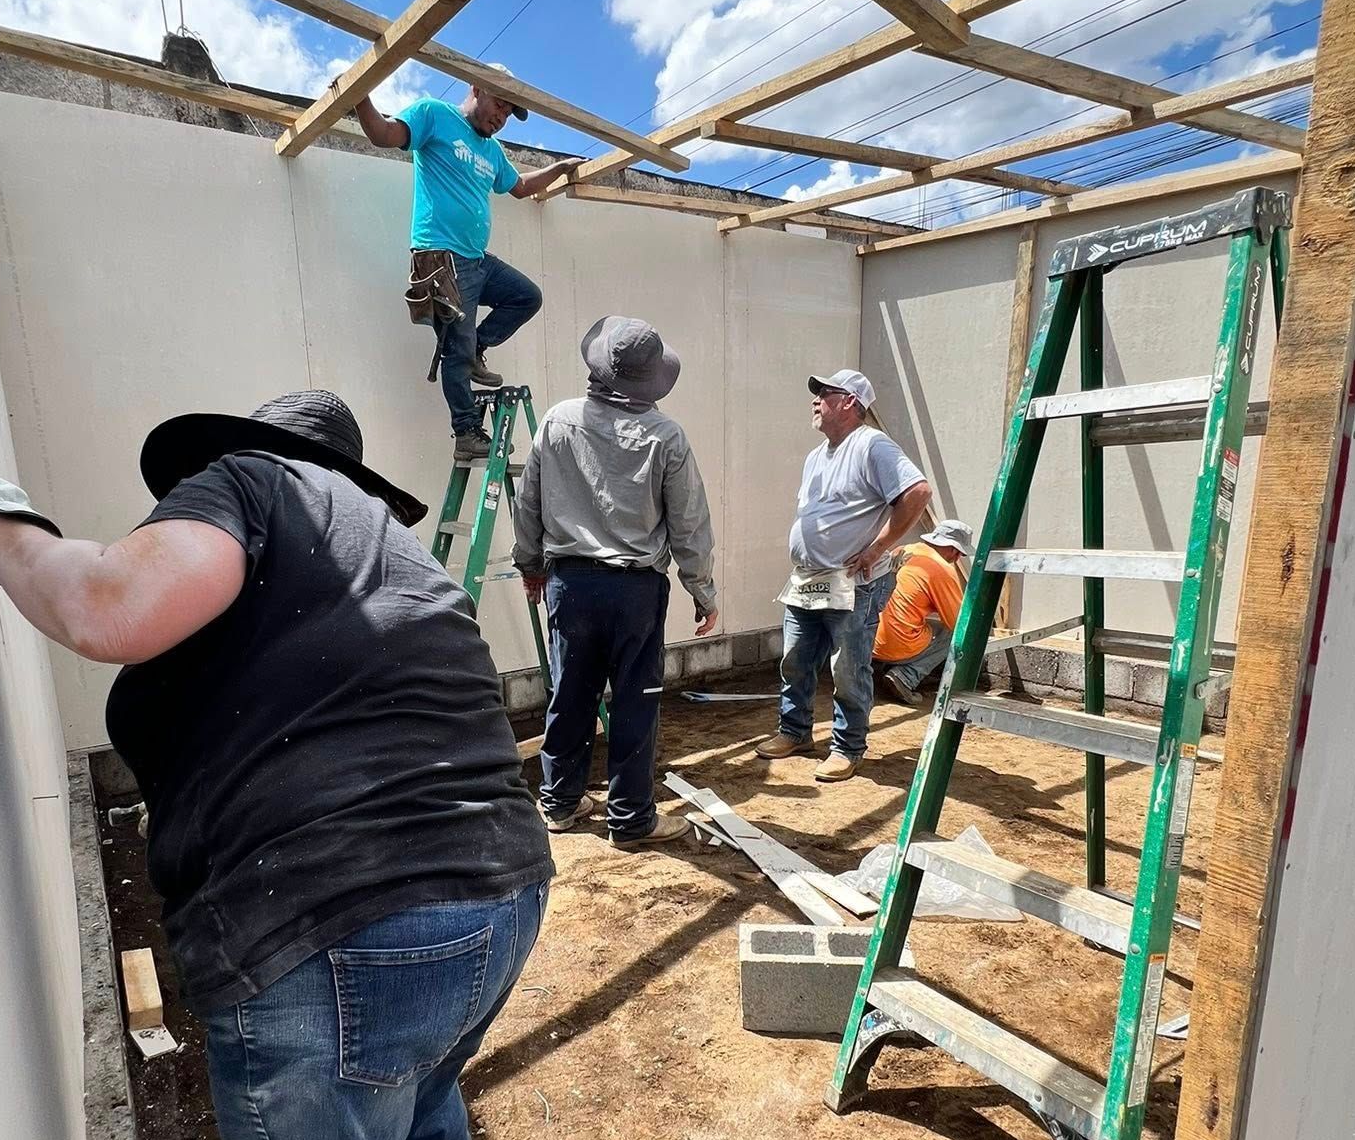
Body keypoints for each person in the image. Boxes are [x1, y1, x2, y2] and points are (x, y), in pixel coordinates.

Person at [0, 392, 554, 1140]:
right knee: (414, 1078)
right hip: (501, 897)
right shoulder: (395, 552)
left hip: (324, 931)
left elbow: (105, 604)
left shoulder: (251, 484)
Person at [512, 316, 718, 849]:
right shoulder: (665, 436)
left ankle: (558, 803)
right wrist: (702, 591)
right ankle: (629, 819)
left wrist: (531, 566)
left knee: (569, 694)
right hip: (634, 592)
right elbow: (688, 521)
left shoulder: (558, 421)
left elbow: (529, 503)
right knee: (635, 701)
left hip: (570, 586)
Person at [354, 81, 578, 463]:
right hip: (441, 256)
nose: (501, 117)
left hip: (476, 259)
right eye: (500, 106)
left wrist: (559, 167)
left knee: (526, 297)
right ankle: (467, 431)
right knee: (454, 351)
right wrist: (359, 95)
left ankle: (476, 345)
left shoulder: (492, 150)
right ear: (477, 88)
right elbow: (383, 134)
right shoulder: (434, 115)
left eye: (508, 114)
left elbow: (521, 187)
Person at [756, 369, 932, 783]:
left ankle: (848, 746)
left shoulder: (871, 445)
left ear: (851, 402)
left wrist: (877, 548)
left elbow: (917, 493)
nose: (815, 400)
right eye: (815, 393)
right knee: (795, 659)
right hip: (807, 579)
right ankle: (795, 731)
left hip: (853, 583)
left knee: (849, 668)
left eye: (825, 394)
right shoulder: (817, 455)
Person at [873, 518, 974, 704]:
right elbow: (957, 622)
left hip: (867, 639)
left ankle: (875, 669)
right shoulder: (942, 569)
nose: (957, 559)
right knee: (956, 634)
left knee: (915, 622)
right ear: (952, 549)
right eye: (959, 553)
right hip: (894, 645)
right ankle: (906, 676)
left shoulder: (904, 550)